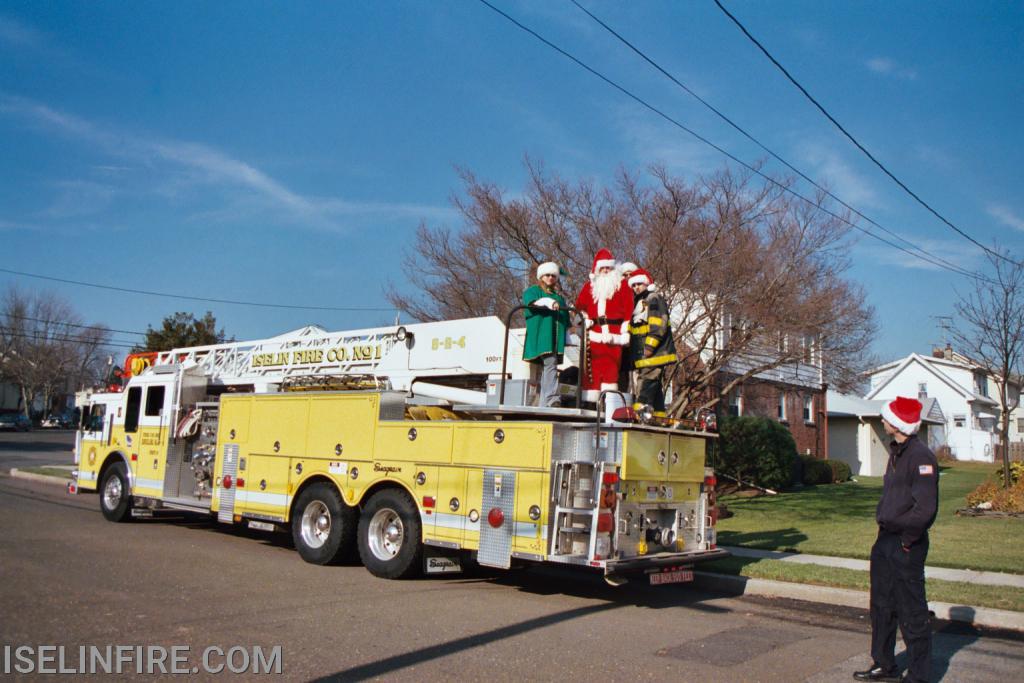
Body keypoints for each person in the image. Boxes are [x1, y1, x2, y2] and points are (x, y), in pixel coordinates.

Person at [854, 396, 938, 683]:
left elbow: (925, 508)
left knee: (911, 611)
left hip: (906, 543)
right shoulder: (897, 453)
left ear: (898, 423)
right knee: (881, 605)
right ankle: (884, 664)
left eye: (886, 417)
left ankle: (919, 676)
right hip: (885, 541)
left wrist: (907, 539)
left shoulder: (921, 457)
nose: (882, 420)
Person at [574, 248, 633, 410]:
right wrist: (584, 319)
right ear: (597, 269)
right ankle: (590, 405)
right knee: (592, 369)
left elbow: (629, 309)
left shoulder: (622, 286)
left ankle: (608, 405)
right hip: (594, 334)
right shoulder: (589, 287)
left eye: (609, 267)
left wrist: (625, 331)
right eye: (603, 268)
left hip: (614, 335)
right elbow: (579, 307)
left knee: (611, 370)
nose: (606, 270)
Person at [627, 268, 677, 417]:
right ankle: (659, 415)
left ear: (646, 283)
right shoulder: (638, 302)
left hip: (654, 353)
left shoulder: (653, 298)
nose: (636, 287)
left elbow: (658, 325)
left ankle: (640, 412)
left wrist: (649, 347)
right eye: (633, 285)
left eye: (639, 284)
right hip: (643, 354)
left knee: (647, 381)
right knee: (654, 386)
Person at [522, 261, 570, 408]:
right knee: (550, 364)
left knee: (548, 367)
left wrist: (569, 334)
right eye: (547, 275)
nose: (550, 278)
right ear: (541, 276)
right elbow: (531, 303)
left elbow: (565, 319)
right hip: (542, 336)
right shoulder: (533, 290)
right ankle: (551, 399)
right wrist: (548, 302)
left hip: (555, 338)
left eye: (553, 275)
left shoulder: (559, 297)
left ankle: (544, 404)